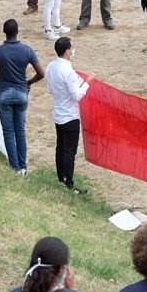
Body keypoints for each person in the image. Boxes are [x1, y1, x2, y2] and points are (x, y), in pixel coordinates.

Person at [0, 18, 44, 175]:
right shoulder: (27, 50)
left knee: (8, 132)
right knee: (20, 131)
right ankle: (23, 167)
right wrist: (28, 82)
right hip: (21, 94)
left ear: (4, 32)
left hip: (4, 94)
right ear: (17, 31)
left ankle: (15, 168)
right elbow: (41, 74)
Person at [46, 37, 89, 194]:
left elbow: (50, 89)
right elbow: (77, 96)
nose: (73, 49)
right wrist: (87, 82)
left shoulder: (51, 66)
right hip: (70, 116)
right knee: (70, 151)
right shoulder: (68, 72)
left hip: (58, 113)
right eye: (72, 47)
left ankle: (61, 178)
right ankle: (69, 183)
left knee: (61, 148)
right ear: (67, 52)